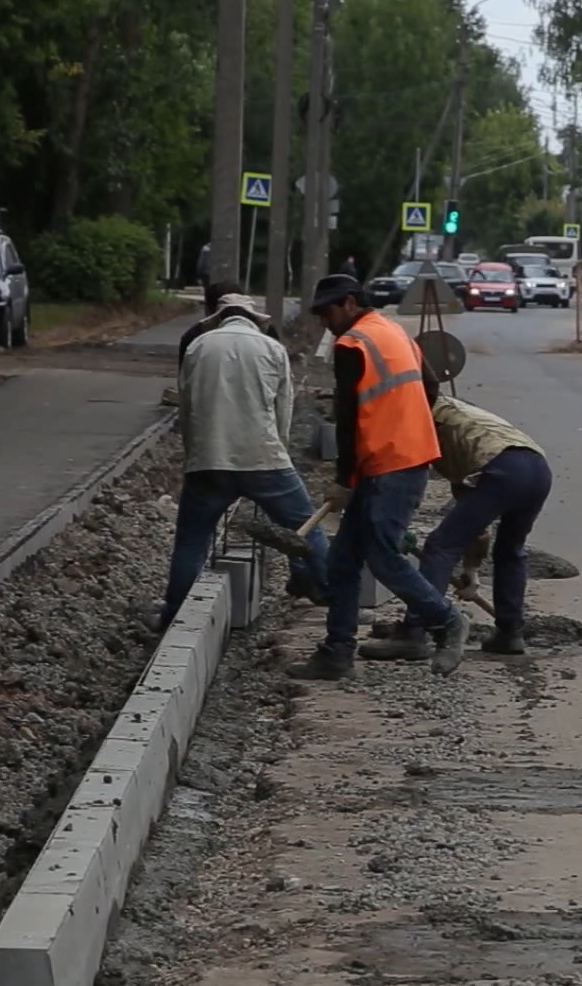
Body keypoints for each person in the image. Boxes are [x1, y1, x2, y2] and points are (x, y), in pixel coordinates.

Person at [288, 274, 470, 681]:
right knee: (344, 559)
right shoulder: (393, 331)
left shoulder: (351, 344)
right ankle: (337, 652)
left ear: (349, 303)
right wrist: (404, 423)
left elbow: (348, 422)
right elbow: (431, 386)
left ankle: (446, 621)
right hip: (401, 458)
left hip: (390, 464)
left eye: (327, 312)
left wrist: (343, 480)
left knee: (383, 555)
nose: (324, 322)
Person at [160, 292, 329, 628]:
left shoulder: (198, 347)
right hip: (265, 459)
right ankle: (332, 593)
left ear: (218, 317)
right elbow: (284, 410)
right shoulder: (271, 348)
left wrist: (194, 456)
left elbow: (188, 408)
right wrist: (278, 451)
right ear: (254, 318)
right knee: (307, 529)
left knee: (192, 539)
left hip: (209, 459)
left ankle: (172, 615)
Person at [361, 394, 551, 661]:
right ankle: (510, 633)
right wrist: (471, 572)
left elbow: (402, 473)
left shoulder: (422, 418)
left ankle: (415, 632)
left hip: (501, 469)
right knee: (510, 550)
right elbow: (475, 525)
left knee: (441, 546)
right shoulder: (463, 420)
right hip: (537, 469)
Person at [196, 243, 215, 314]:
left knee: (208, 294)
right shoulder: (222, 247)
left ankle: (208, 312)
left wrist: (199, 276)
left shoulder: (205, 249)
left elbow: (200, 263)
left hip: (207, 274)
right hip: (219, 275)